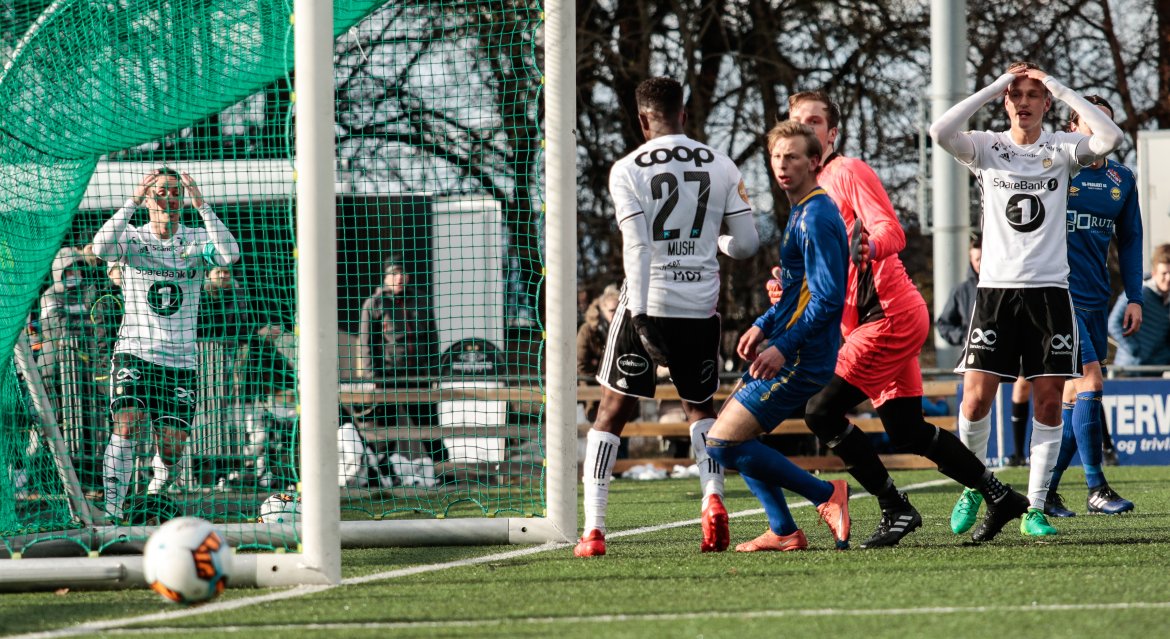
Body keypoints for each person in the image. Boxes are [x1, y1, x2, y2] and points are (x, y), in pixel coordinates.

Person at [788, 90, 1028, 546]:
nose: (805, 129)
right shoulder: (807, 194)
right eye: (797, 122)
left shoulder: (846, 171)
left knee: (820, 411)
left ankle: (894, 507)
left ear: (831, 133)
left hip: (888, 315)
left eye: (814, 122)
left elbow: (891, 231)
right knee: (907, 430)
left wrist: (868, 246)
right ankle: (999, 495)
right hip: (876, 319)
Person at [930, 61, 1124, 537]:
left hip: (1050, 294)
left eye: (1033, 94)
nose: (1023, 102)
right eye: (1015, 94)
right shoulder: (986, 146)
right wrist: (994, 85)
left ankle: (1034, 508)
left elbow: (1110, 137)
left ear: (1045, 102)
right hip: (996, 292)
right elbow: (940, 131)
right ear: (1005, 100)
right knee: (975, 400)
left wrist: (1058, 84)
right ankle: (975, 485)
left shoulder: (1061, 147)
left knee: (1050, 403)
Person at [574, 77, 760, 557]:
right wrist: (714, 241)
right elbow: (746, 244)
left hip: (650, 302)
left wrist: (638, 314)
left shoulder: (626, 169)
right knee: (701, 410)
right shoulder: (720, 164)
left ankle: (594, 530)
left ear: (642, 119)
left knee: (612, 411)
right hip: (700, 306)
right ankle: (713, 500)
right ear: (684, 114)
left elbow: (637, 245)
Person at [703, 120, 851, 552]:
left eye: (793, 157)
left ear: (815, 161)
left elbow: (828, 300)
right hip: (789, 347)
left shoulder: (817, 215)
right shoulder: (800, 211)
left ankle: (827, 494)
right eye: (776, 157)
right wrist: (763, 325)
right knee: (732, 435)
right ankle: (784, 530)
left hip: (803, 356)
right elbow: (794, 295)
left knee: (722, 443)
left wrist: (782, 347)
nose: (783, 165)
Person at [92, 168, 240, 521]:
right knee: (127, 423)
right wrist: (132, 200)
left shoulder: (195, 239)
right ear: (148, 198)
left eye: (175, 192)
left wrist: (202, 205)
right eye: (160, 191)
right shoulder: (132, 238)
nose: (168, 198)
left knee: (172, 447)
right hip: (135, 351)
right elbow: (100, 248)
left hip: (180, 360)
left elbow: (229, 255)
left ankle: (154, 493)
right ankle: (112, 511)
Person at [1043, 95, 1142, 518]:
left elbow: (1131, 240)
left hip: (1096, 296)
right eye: (1089, 120)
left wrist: (1134, 296)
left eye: (1106, 121)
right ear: (1072, 128)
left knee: (1075, 395)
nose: (1099, 128)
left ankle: (1045, 491)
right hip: (1056, 294)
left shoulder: (1122, 178)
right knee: (1091, 381)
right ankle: (1096, 488)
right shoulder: (1056, 168)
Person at [937, 237, 1031, 465]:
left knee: (1023, 388)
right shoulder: (962, 290)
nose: (980, 263)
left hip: (1010, 348)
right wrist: (964, 337)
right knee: (975, 403)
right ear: (971, 260)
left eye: (983, 258)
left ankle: (1019, 453)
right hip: (978, 353)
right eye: (976, 259)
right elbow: (944, 324)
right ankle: (972, 465)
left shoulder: (1009, 285)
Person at [354, 254, 440, 487]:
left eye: (402, 273)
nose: (399, 278)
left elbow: (432, 339)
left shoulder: (421, 300)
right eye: (394, 273)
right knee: (385, 431)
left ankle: (442, 471)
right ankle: (380, 474)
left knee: (429, 426)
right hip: (388, 378)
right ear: (385, 277)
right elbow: (366, 344)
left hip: (419, 377)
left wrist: (434, 372)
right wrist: (372, 377)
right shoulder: (374, 304)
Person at [38, 246, 102, 488]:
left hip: (83, 371)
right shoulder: (50, 295)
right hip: (55, 370)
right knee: (55, 421)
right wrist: (82, 335)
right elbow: (57, 326)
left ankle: (86, 477)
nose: (75, 274)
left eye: (78, 269)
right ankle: (48, 474)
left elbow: (99, 322)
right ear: (59, 272)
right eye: (70, 270)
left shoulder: (87, 294)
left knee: (87, 421)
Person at [1110, 244, 1170, 372]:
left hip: (1155, 371)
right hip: (1128, 369)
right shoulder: (1137, 294)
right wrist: (1134, 349)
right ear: (1154, 273)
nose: (1168, 278)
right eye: (1164, 273)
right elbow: (1113, 323)